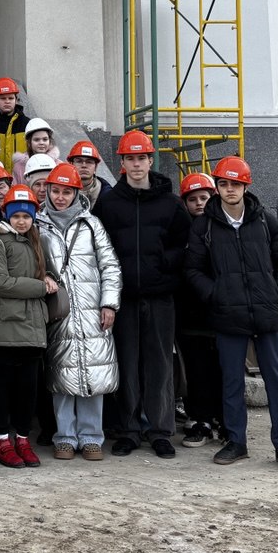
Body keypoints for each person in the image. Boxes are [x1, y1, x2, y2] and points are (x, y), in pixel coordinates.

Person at [185, 157, 278, 475]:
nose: (230, 190)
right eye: (223, 184)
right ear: (217, 187)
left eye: (235, 184)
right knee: (231, 382)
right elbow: (193, 270)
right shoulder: (204, 226)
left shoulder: (266, 221)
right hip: (228, 316)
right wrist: (216, 295)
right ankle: (236, 441)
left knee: (275, 382)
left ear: (245, 186)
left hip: (268, 315)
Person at [92, 130, 192, 460]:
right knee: (127, 364)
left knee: (159, 364)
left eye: (141, 158)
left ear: (151, 161)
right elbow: (98, 247)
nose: (136, 165)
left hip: (160, 297)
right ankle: (129, 430)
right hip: (123, 298)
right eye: (130, 159)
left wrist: (164, 264)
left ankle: (160, 431)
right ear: (122, 163)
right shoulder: (109, 203)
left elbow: (185, 244)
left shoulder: (170, 203)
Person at [38, 164, 122, 463]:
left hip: (92, 311)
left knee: (93, 375)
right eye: (55, 191)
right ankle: (64, 437)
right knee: (61, 374)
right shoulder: (37, 225)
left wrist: (109, 303)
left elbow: (109, 265)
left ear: (76, 193)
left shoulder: (91, 224)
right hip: (58, 311)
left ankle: (91, 438)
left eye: (66, 192)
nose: (60, 197)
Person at [0, 183, 53, 469]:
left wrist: (48, 281)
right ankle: (1, 442)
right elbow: (1, 283)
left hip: (32, 327)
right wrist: (41, 287)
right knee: (1, 389)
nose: (21, 221)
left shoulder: (37, 243)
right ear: (6, 215)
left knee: (27, 390)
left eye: (26, 216)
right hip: (4, 327)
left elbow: (47, 275)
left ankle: (22, 440)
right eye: (16, 215)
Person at [176, 171, 223, 448]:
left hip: (220, 313)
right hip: (189, 314)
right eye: (193, 199)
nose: (199, 204)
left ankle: (224, 420)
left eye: (203, 198)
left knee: (222, 369)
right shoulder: (181, 231)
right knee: (194, 370)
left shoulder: (222, 228)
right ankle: (200, 420)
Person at [67, 140, 112, 210]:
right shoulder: (60, 192)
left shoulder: (108, 194)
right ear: (71, 164)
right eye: (79, 161)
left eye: (89, 162)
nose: (84, 165)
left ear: (96, 167)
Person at [12, 118, 59, 183]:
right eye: (36, 140)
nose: (41, 143)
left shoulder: (58, 165)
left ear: (50, 141)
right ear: (29, 142)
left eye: (45, 139)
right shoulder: (19, 166)